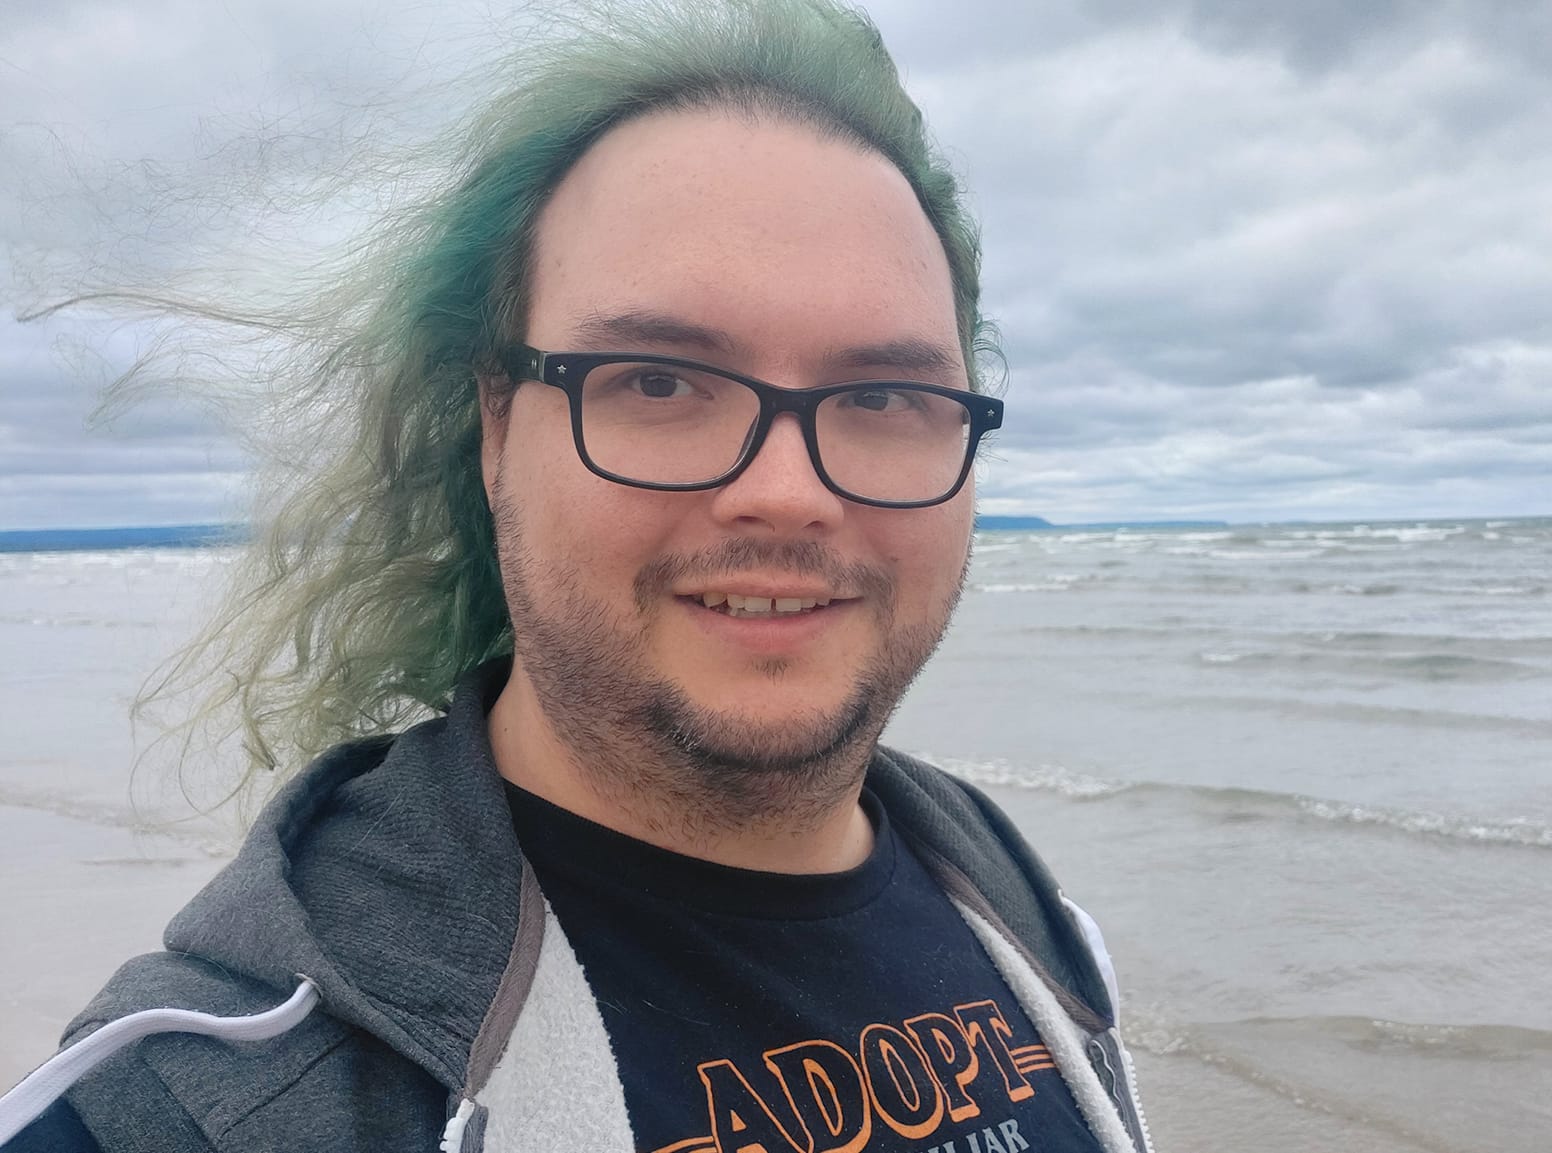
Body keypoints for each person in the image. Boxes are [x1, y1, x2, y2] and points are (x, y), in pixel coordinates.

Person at [0, 2, 1151, 1150]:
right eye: (656, 381)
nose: (790, 492)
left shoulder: (1028, 917)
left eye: (885, 396)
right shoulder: (197, 1103)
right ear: (497, 427)